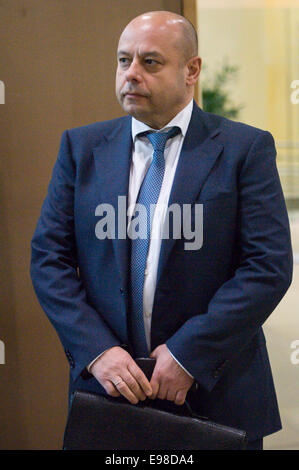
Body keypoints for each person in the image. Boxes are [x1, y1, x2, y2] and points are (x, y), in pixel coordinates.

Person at [30, 11, 293, 450]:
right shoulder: (82, 149)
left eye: (150, 62)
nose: (130, 74)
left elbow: (267, 267)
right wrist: (97, 351)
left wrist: (190, 354)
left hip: (215, 390)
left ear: (191, 71)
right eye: (123, 61)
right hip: (109, 390)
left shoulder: (244, 149)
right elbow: (48, 259)